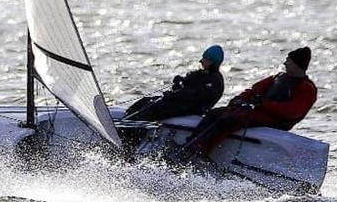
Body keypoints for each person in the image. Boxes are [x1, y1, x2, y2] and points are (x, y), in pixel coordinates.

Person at [183, 47, 317, 158]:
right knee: (215, 114)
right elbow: (253, 91)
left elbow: (292, 112)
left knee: (230, 120)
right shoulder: (277, 78)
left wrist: (264, 104)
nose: (285, 63)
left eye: (288, 61)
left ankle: (201, 153)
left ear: (296, 65)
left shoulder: (306, 88)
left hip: (276, 120)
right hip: (258, 111)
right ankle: (191, 145)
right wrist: (237, 100)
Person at [125, 45, 225, 122]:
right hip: (179, 103)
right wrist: (179, 83)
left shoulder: (215, 81)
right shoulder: (200, 75)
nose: (201, 61)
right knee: (145, 101)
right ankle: (124, 122)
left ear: (213, 62)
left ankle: (131, 140)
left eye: (205, 59)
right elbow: (186, 90)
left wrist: (174, 95)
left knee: (152, 109)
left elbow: (195, 96)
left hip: (191, 109)